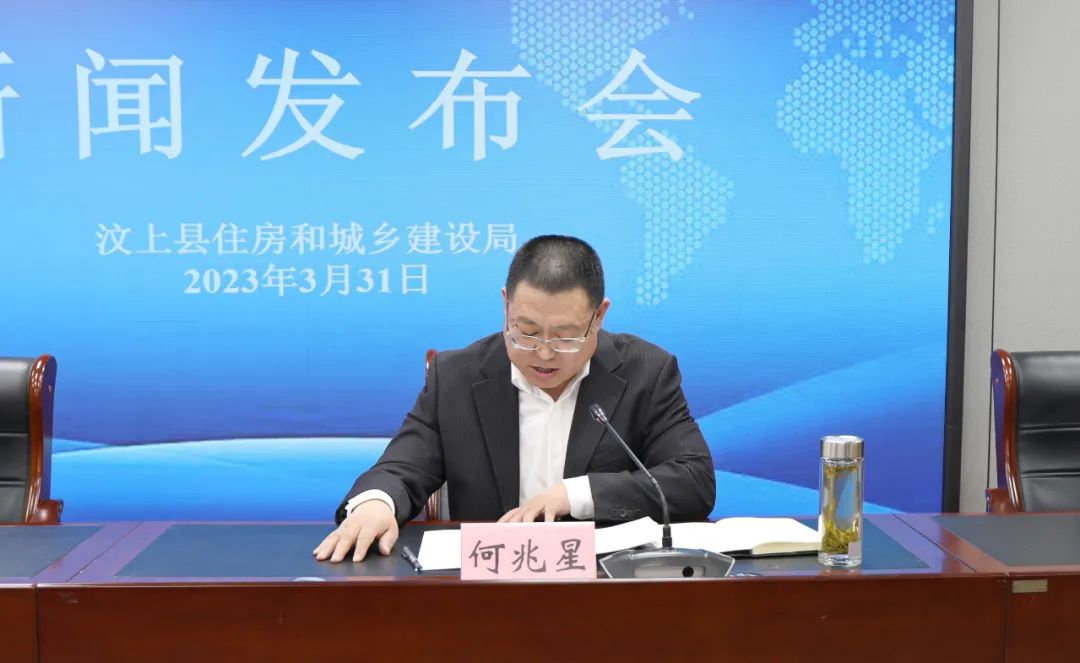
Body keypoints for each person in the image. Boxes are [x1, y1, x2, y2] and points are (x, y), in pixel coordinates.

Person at [314, 235, 715, 563]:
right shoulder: (457, 377)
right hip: (487, 591)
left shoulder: (646, 372)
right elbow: (401, 468)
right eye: (526, 331)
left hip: (604, 591)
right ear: (505, 304)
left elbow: (693, 482)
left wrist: (574, 495)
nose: (544, 353)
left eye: (565, 336)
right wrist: (377, 504)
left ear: (600, 316)